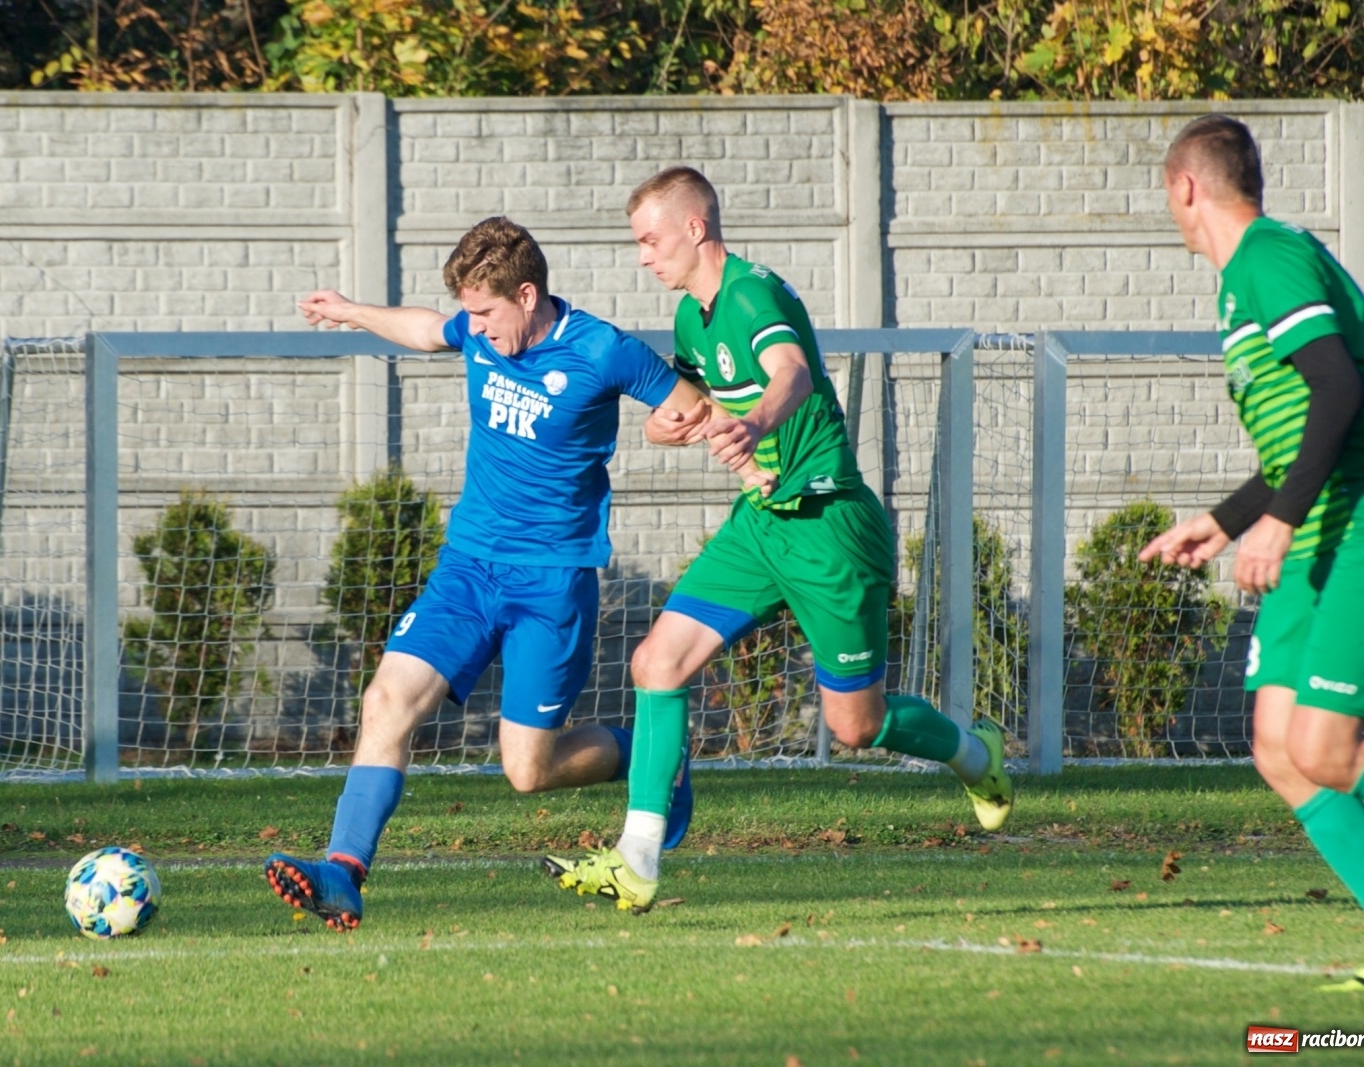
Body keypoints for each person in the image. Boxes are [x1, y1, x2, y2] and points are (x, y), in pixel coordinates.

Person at [264, 216, 770, 932]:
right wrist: (350, 311)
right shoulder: (476, 330)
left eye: (484, 312)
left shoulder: (602, 349)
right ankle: (343, 873)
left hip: (552, 584)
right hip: (466, 570)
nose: (473, 327)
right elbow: (425, 329)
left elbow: (690, 408)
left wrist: (756, 474)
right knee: (387, 701)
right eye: (468, 311)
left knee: (527, 770)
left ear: (526, 294)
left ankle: (656, 760)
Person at [543, 167, 1013, 913]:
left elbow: (789, 372)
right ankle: (637, 857)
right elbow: (696, 403)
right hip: (761, 525)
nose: (643, 256)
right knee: (656, 662)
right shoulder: (694, 319)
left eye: (650, 239)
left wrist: (758, 422)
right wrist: (667, 425)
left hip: (829, 528)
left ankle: (973, 751)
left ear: (694, 228)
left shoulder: (754, 293)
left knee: (854, 724)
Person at [1141, 114, 1364, 993]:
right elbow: (1300, 434)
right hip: (1323, 516)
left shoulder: (1268, 257)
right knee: (1278, 746)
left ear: (1187, 187)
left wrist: (1280, 522)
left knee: (1328, 746)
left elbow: (1337, 387)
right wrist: (1225, 520)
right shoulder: (1241, 283)